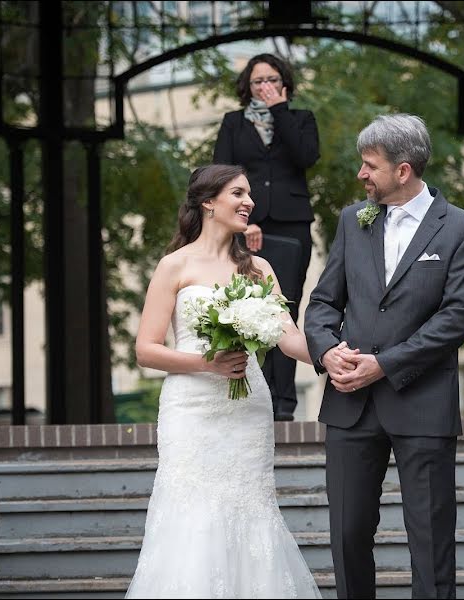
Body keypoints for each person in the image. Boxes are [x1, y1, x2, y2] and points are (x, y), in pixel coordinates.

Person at [304, 114, 464, 599]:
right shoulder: (352, 220)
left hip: (422, 404)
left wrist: (384, 364)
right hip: (349, 406)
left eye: (370, 166)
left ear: (402, 170)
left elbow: (457, 318)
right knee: (346, 537)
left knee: (430, 543)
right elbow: (324, 302)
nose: (361, 175)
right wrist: (327, 352)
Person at [126, 164, 321, 599]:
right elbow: (145, 349)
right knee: (190, 513)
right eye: (238, 192)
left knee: (251, 509)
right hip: (191, 410)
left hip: (247, 407)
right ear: (208, 202)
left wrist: (332, 354)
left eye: (249, 192)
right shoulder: (174, 266)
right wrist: (207, 364)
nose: (248, 201)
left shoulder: (259, 269)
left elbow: (288, 338)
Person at [213, 52, 320, 421]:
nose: (265, 86)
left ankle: (284, 405)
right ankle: (249, 397)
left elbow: (306, 156)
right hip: (247, 223)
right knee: (245, 309)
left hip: (292, 224)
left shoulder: (301, 119)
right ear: (248, 86)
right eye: (258, 81)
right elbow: (222, 173)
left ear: (284, 83)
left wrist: (280, 111)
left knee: (285, 310)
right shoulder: (232, 123)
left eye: (272, 79)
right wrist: (245, 219)